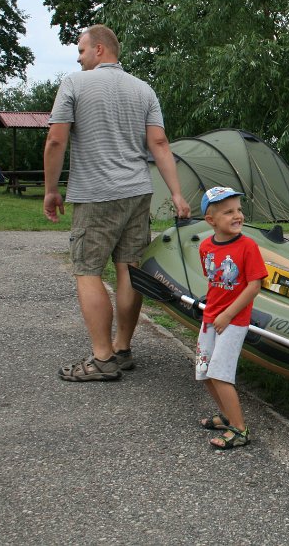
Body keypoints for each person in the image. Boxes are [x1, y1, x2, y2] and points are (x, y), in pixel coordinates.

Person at [44, 24, 191, 382]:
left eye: (81, 51)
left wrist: (50, 189)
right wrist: (176, 192)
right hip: (138, 191)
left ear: (99, 49)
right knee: (128, 268)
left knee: (88, 270)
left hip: (96, 194)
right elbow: (159, 144)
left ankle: (102, 358)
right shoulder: (143, 89)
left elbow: (56, 141)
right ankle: (122, 348)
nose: (78, 59)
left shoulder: (74, 84)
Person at [194, 186, 267, 449]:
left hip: (233, 321)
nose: (237, 216)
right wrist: (214, 313)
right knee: (205, 371)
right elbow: (213, 280)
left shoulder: (248, 246)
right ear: (211, 220)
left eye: (238, 210)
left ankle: (240, 429)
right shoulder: (206, 247)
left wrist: (227, 314)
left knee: (220, 374)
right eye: (228, 212)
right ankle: (227, 415)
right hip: (211, 317)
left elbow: (254, 286)